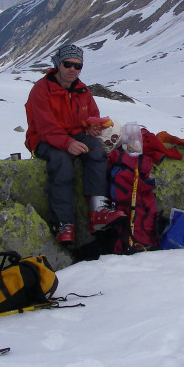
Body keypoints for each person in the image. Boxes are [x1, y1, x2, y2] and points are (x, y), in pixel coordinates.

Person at [25, 44, 119, 244]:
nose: (73, 70)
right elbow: (45, 127)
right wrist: (67, 143)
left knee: (96, 150)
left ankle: (98, 210)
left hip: (75, 135)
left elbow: (92, 115)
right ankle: (64, 223)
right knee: (61, 161)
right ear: (58, 64)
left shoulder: (82, 90)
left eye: (78, 66)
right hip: (42, 139)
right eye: (68, 64)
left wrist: (92, 127)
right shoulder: (41, 90)